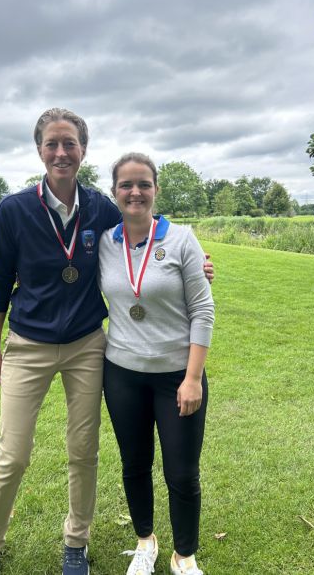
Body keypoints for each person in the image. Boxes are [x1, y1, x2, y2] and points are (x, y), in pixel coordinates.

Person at [0, 109, 214, 575]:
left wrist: (194, 262)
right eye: (52, 144)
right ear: (39, 149)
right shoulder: (14, 210)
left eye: (70, 144)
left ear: (83, 150)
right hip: (29, 343)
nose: (61, 153)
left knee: (83, 450)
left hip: (86, 345)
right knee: (12, 453)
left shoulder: (100, 207)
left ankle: (75, 544)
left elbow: (142, 229)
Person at [99, 153, 215, 575]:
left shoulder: (182, 239)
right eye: (126, 185)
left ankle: (184, 555)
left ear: (155, 190)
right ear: (115, 193)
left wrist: (193, 378)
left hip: (176, 377)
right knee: (134, 465)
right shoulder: (104, 243)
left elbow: (203, 309)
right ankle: (145, 541)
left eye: (143, 184)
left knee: (182, 473)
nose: (135, 192)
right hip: (122, 374)